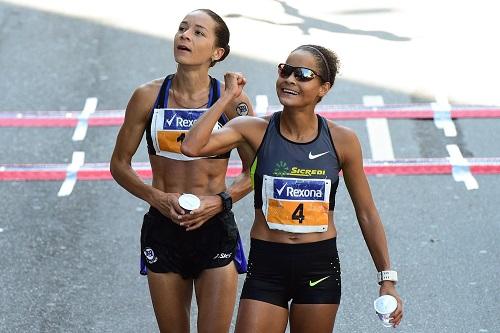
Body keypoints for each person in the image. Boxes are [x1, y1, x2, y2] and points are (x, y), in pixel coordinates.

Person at [181, 44, 403, 332]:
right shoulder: (252, 129)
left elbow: (367, 212)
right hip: (268, 265)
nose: (290, 80)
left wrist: (387, 279)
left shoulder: (342, 140)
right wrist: (226, 99)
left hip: (318, 267)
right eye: (285, 71)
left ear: (324, 88)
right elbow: (191, 146)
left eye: (303, 75)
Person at [110, 9, 254, 333]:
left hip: (214, 227)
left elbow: (257, 167)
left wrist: (222, 201)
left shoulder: (231, 101)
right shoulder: (148, 97)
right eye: (182, 28)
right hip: (163, 228)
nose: (185, 35)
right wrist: (155, 197)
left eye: (198, 32)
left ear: (217, 53)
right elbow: (119, 164)